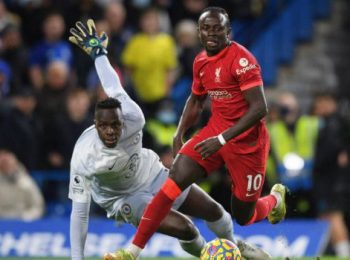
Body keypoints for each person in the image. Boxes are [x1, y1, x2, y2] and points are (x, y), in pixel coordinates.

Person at [68, 19, 270, 260]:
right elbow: (79, 214)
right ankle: (210, 254)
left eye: (115, 125)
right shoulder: (84, 157)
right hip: (124, 197)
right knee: (187, 229)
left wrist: (99, 54)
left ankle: (232, 246)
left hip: (152, 174)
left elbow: (113, 84)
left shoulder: (134, 116)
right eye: (104, 126)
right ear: (95, 124)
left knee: (216, 212)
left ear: (123, 121)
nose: (111, 131)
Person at [112, 7, 288, 259]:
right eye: (206, 28)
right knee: (174, 181)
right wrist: (179, 132)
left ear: (228, 31)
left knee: (244, 216)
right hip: (215, 129)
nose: (212, 33)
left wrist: (222, 139)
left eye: (218, 28)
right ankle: (133, 250)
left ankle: (274, 201)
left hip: (247, 141)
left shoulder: (242, 60)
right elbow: (195, 101)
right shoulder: (201, 61)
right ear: (199, 32)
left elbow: (260, 108)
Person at [0, 150, 45, 220]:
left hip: (23, 221)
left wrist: (25, 218)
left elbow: (37, 207)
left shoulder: (27, 182)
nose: (7, 166)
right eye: (4, 164)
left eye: (9, 164)